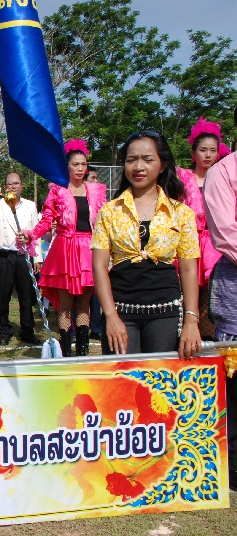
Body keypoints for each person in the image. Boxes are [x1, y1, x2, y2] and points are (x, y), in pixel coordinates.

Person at [92, 131, 200, 360]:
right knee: (120, 378)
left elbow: (189, 269)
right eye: (131, 160)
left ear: (163, 165)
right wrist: (110, 316)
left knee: (161, 379)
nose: (138, 167)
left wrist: (191, 320)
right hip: (120, 311)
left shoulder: (181, 213)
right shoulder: (109, 212)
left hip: (166, 313)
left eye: (148, 159)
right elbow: (99, 266)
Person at [25, 139, 107, 357]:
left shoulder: (96, 191)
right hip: (65, 250)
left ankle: (82, 352)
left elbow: (103, 222)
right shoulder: (58, 191)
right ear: (67, 166)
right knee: (65, 304)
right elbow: (47, 219)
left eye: (83, 164)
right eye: (75, 164)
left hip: (88, 250)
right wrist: (32, 234)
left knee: (84, 304)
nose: (80, 168)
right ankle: (65, 353)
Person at [203, 129, 237, 490]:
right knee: (234, 373)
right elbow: (227, 233)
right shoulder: (224, 172)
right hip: (234, 277)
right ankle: (233, 461)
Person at [177, 117, 224, 340]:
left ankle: (208, 343)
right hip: (189, 243)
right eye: (203, 150)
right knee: (186, 294)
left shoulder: (224, 180)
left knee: (210, 298)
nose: (208, 155)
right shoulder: (182, 179)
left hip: (214, 245)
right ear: (193, 153)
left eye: (213, 150)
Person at [0, 173, 41, 346]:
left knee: (26, 297)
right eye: (10, 184)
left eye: (16, 183)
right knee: (2, 296)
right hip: (5, 256)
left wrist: (37, 257)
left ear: (22, 185)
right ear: (6, 187)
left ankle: (27, 330)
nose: (13, 186)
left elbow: (35, 233)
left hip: (24, 257)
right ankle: (4, 330)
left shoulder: (30, 206)